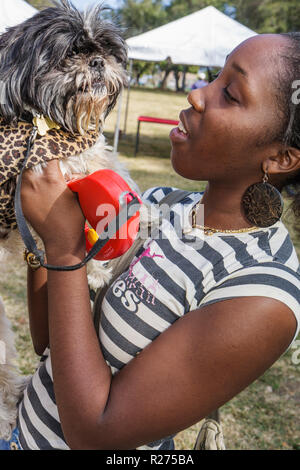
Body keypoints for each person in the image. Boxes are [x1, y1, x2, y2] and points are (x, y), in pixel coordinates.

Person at [4, 32, 300, 450]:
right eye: (212, 77)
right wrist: (37, 233)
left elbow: (95, 434)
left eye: (229, 94)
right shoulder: (161, 206)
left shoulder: (263, 293)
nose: (198, 95)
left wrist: (65, 244)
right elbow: (48, 341)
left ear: (280, 158)